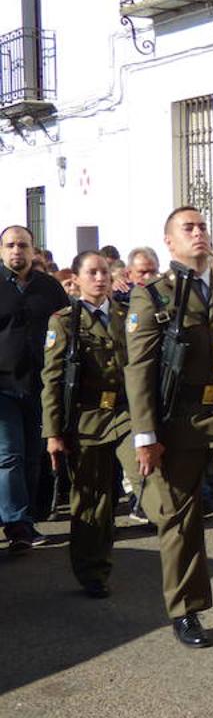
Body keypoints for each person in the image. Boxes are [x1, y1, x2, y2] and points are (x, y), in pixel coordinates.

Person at [124, 207, 213, 648]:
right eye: (188, 228)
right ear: (169, 241)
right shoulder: (154, 296)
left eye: (202, 226)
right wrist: (145, 436)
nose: (199, 233)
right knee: (181, 520)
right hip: (178, 419)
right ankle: (187, 609)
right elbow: (140, 368)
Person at [40, 251, 136, 597]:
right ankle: (93, 572)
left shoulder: (127, 316)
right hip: (88, 419)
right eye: (92, 273)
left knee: (148, 481)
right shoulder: (65, 321)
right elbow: (52, 380)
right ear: (77, 279)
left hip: (127, 415)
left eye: (104, 272)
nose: (100, 278)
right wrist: (52, 433)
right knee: (92, 497)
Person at [1, 225, 69, 551]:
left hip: (41, 385)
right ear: (2, 251)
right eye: (11, 246)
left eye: (23, 245)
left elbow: (69, 327)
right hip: (2, 387)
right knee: (9, 454)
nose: (17, 251)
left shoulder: (50, 288)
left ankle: (26, 517)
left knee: (33, 456)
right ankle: (17, 525)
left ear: (33, 250)